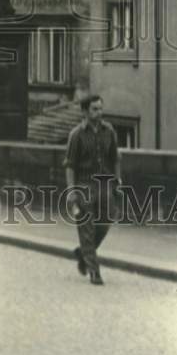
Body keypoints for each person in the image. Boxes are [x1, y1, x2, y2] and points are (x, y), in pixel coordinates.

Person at [64, 94, 121, 286]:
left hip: (105, 184)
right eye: (95, 109)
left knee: (105, 223)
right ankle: (94, 271)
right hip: (84, 186)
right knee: (87, 228)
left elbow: (115, 158)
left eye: (100, 108)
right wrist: (71, 192)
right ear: (85, 111)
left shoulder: (109, 131)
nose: (99, 112)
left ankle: (83, 253)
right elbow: (70, 165)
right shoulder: (76, 135)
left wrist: (117, 180)